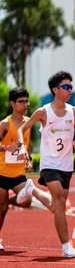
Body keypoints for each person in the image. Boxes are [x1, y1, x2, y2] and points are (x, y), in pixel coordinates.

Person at [15, 72, 75, 258]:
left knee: (57, 207)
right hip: (49, 164)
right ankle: (66, 247)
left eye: (71, 86)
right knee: (61, 201)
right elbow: (22, 129)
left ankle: (33, 190)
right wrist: (22, 147)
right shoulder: (43, 112)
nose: (70, 90)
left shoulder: (74, 112)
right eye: (66, 87)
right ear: (55, 89)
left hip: (67, 165)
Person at [0, 88, 35, 251]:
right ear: (12, 103)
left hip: (18, 172)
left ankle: (11, 201)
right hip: (1, 171)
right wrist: (6, 147)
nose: (25, 104)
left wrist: (29, 160)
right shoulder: (5, 124)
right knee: (2, 209)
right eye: (21, 101)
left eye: (26, 101)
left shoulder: (28, 123)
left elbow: (29, 145)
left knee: (27, 201)